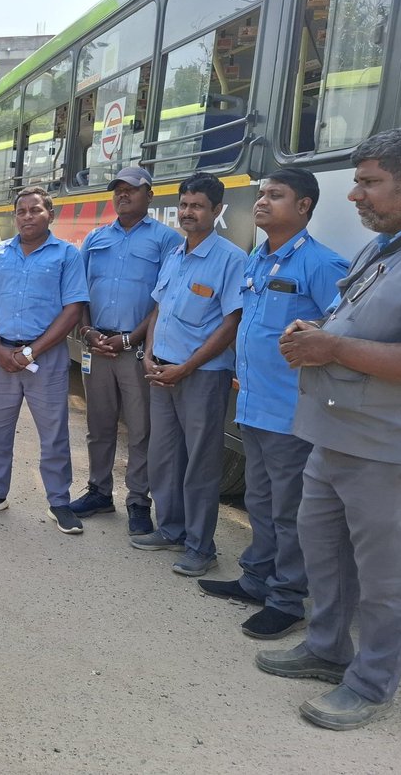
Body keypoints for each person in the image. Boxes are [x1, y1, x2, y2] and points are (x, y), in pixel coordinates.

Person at [256, 127, 401, 730]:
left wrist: (330, 346)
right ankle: (326, 648)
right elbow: (354, 318)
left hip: (392, 447)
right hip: (334, 434)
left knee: (389, 579)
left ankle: (370, 684)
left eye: (367, 184)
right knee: (325, 552)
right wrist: (317, 331)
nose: (355, 196)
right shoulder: (386, 244)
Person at [198, 169, 346, 638]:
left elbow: (340, 334)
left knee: (290, 508)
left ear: (303, 207)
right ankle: (256, 579)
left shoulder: (322, 265)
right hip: (253, 404)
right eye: (261, 194)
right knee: (259, 500)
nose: (261, 202)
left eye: (275, 196)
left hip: (291, 411)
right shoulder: (256, 260)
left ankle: (287, 599)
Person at [132, 174, 246, 577]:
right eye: (183, 204)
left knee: (200, 463)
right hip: (162, 369)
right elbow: (159, 309)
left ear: (217, 211)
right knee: (164, 456)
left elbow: (232, 322)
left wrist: (188, 366)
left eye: (197, 205)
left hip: (201, 377)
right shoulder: (175, 254)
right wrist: (148, 355)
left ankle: (201, 546)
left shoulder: (231, 259)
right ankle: (171, 529)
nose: (187, 212)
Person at [0, 186, 88, 535]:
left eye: (35, 210)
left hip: (45, 358)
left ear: (51, 214)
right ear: (14, 216)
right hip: (0, 355)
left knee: (54, 433)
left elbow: (73, 309)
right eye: (21, 211)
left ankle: (59, 502)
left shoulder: (66, 255)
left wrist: (32, 351)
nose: (27, 217)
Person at [72, 166, 182, 535]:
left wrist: (132, 338)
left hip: (134, 350)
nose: (123, 195)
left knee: (140, 430)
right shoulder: (96, 238)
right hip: (98, 347)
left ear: (149, 195)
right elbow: (79, 291)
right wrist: (86, 331)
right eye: (118, 190)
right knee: (98, 426)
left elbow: (164, 300)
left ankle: (138, 500)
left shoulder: (166, 240)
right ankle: (99, 492)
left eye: (132, 190)